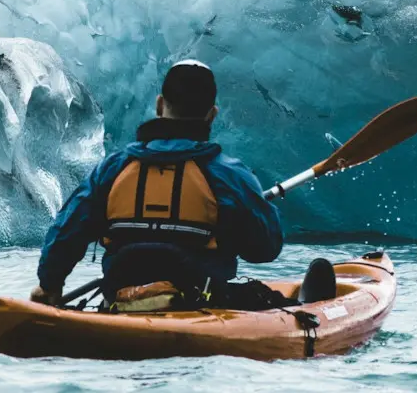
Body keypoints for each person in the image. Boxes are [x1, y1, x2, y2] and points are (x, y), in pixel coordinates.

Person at [30, 59, 284, 306]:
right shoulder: (230, 174)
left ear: (160, 105)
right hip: (201, 303)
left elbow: (67, 230)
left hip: (121, 297)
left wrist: (50, 285)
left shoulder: (113, 170)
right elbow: (265, 249)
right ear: (212, 114)